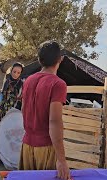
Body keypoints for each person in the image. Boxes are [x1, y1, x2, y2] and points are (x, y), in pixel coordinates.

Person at [19, 41, 71, 180]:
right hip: (46, 148)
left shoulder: (28, 80)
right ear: (60, 59)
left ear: (39, 60)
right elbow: (54, 122)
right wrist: (61, 160)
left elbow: (23, 109)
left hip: (27, 146)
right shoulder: (58, 84)